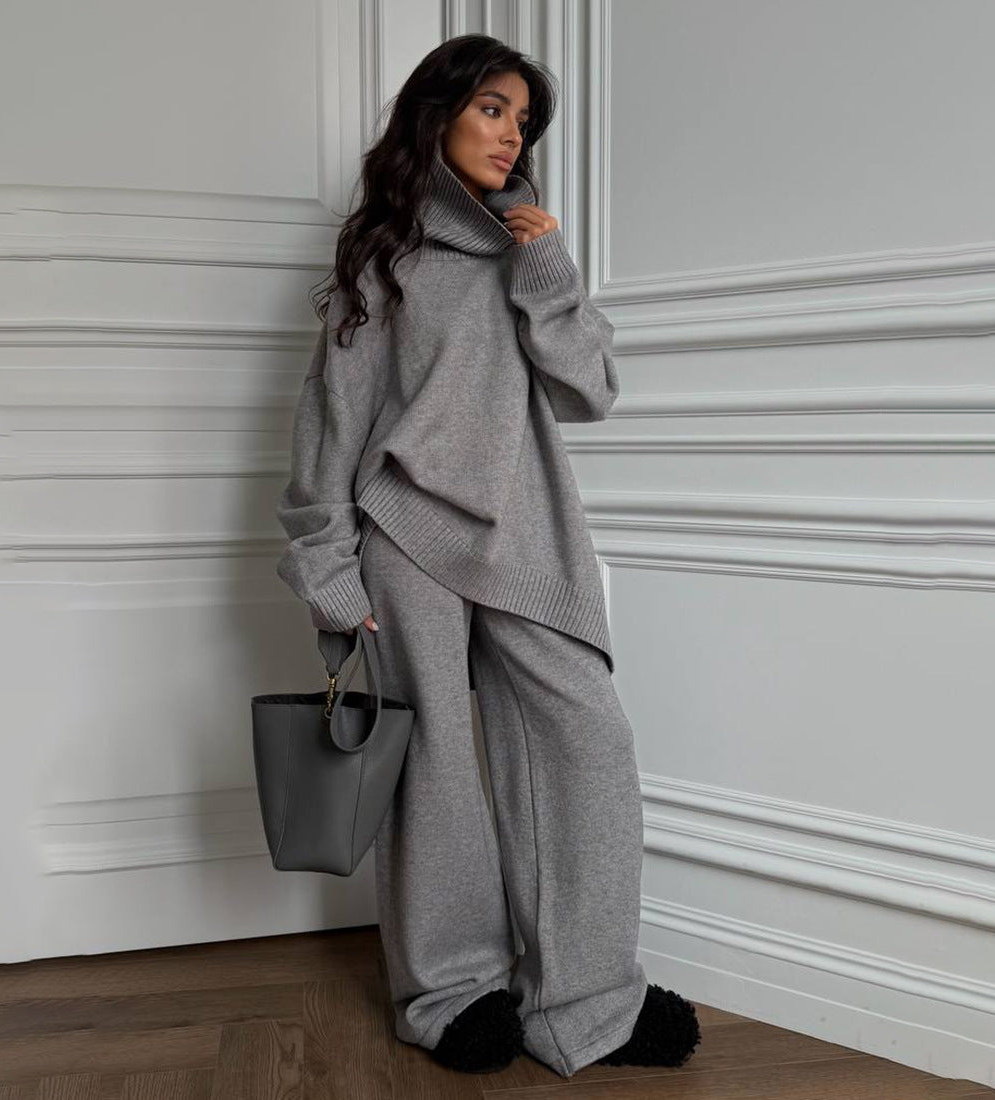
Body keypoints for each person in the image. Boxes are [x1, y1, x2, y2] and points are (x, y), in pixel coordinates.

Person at [274, 33, 701, 1079]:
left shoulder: (527, 248)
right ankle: (451, 991)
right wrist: (328, 566)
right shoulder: (383, 255)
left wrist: (545, 268)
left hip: (525, 532)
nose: (511, 135)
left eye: (522, 118)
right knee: (433, 769)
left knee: (585, 742)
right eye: (492, 109)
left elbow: (588, 391)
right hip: (406, 533)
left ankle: (588, 998)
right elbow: (330, 419)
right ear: (439, 115)